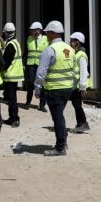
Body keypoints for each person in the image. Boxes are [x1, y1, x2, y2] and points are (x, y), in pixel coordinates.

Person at [34, 20, 74, 156]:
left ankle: (60, 147)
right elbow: (73, 69)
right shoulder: (69, 49)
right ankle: (63, 143)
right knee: (60, 116)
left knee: (57, 118)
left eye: (47, 32)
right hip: (67, 88)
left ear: (52, 33)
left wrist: (37, 88)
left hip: (54, 89)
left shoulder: (50, 49)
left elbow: (41, 72)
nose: (45, 34)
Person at [68, 32, 92, 134]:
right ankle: (80, 124)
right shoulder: (76, 53)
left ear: (77, 42)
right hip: (75, 84)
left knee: (77, 104)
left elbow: (83, 71)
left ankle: (83, 123)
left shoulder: (81, 55)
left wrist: (83, 87)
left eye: (72, 41)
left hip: (79, 85)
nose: (70, 42)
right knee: (76, 104)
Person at [1, 23, 23, 127]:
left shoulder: (11, 45)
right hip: (15, 74)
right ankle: (12, 118)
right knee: (11, 98)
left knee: (12, 99)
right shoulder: (15, 42)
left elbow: (6, 62)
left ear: (4, 32)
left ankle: (15, 118)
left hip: (11, 75)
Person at [25, 21, 47, 111]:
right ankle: (28, 102)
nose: (31, 32)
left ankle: (42, 105)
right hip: (31, 64)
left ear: (38, 30)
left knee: (42, 84)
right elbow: (27, 52)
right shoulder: (29, 38)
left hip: (41, 64)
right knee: (30, 83)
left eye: (32, 30)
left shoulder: (46, 39)